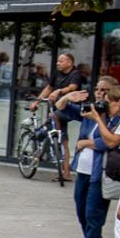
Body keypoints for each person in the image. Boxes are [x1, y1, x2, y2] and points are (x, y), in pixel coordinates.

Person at [66, 82, 120, 238]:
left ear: (118, 100)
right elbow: (60, 110)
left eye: (105, 93)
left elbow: (109, 142)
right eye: (97, 91)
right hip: (83, 169)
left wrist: (91, 134)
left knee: (95, 215)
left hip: (102, 173)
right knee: (82, 212)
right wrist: (66, 96)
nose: (99, 96)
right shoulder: (94, 113)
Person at [31, 52, 84, 181]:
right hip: (57, 110)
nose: (57, 63)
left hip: (70, 110)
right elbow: (49, 87)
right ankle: (65, 172)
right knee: (62, 141)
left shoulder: (75, 74)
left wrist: (59, 91)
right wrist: (37, 101)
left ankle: (43, 144)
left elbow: (73, 87)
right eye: (58, 61)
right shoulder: (56, 73)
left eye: (61, 61)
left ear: (70, 63)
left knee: (52, 119)